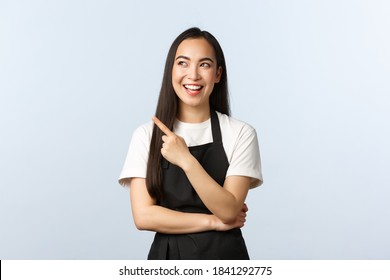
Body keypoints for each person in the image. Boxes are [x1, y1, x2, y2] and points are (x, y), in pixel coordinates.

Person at [119, 27, 263, 260]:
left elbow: (228, 210)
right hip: (167, 260)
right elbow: (143, 217)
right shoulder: (146, 136)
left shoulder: (240, 133)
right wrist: (212, 221)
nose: (193, 75)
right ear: (171, 71)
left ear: (217, 74)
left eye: (204, 65)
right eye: (183, 63)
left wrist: (186, 160)